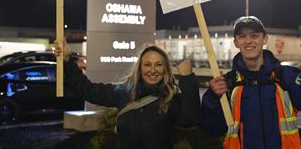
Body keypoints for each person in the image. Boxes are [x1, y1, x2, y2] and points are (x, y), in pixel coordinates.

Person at [201, 16, 301, 149]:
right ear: (236, 42)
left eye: (254, 35)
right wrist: (212, 98)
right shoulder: (227, 83)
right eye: (242, 36)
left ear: (265, 39)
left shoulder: (286, 77)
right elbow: (212, 129)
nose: (248, 41)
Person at [54, 40, 201, 149]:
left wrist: (187, 78)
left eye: (158, 64)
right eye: (147, 64)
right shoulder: (125, 92)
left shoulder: (170, 97)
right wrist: (68, 61)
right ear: (140, 68)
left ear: (165, 68)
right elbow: (87, 90)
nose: (153, 70)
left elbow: (191, 120)